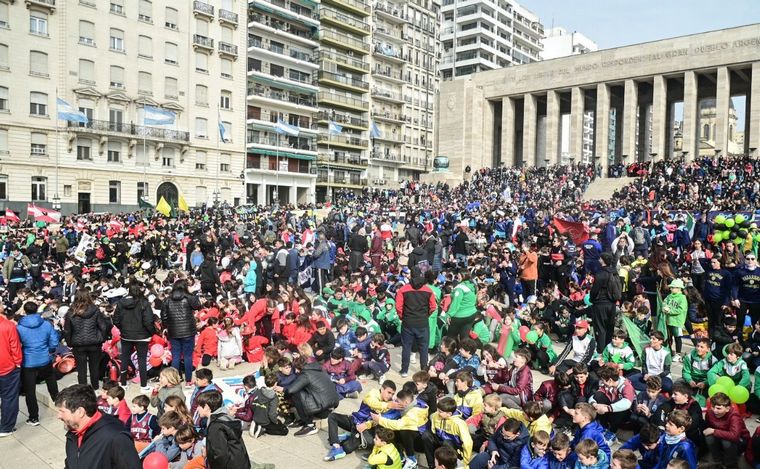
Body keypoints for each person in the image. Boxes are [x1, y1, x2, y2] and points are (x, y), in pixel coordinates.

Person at [56, 383, 141, 469]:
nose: (58, 416)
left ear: (80, 412)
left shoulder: (116, 437)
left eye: (62, 411)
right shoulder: (73, 432)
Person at [17, 300, 59, 426]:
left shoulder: (19, 327)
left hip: (28, 361)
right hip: (44, 358)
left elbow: (17, 344)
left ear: (25, 311)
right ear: (37, 310)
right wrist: (50, 351)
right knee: (51, 382)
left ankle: (34, 417)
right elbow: (54, 340)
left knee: (30, 390)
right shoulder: (46, 324)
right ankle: (60, 407)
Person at [395, 267, 437, 377]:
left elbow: (398, 307)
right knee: (424, 348)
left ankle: (404, 370)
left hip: (407, 322)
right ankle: (423, 370)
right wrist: (426, 315)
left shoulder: (403, 290)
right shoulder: (428, 290)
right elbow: (433, 307)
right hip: (422, 322)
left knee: (406, 347)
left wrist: (402, 317)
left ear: (410, 276)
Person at [113, 282, 155, 391]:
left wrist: (122, 329)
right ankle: (144, 385)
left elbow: (116, 319)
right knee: (142, 359)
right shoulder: (144, 303)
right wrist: (151, 332)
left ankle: (123, 383)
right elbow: (149, 320)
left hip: (126, 335)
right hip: (142, 336)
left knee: (125, 358)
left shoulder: (121, 302)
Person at [63, 289, 110, 389]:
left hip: (78, 343)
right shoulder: (95, 310)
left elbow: (67, 330)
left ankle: (83, 389)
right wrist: (102, 338)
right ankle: (95, 386)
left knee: (81, 369)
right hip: (94, 342)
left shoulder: (71, 312)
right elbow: (103, 326)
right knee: (94, 366)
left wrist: (69, 342)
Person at [286, 356, 340, 436]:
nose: (296, 371)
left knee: (296, 394)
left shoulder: (305, 374)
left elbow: (290, 390)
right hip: (332, 405)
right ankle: (302, 419)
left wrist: (284, 394)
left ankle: (309, 425)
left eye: (296, 369)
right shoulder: (319, 369)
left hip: (322, 410)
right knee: (303, 390)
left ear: (299, 367)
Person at [196, 390, 251, 469]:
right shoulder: (225, 418)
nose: (197, 409)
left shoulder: (216, 426)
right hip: (241, 462)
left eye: (199, 406)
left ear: (206, 407)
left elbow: (220, 455)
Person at [161, 279, 202, 385]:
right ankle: (188, 381)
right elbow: (198, 306)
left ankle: (174, 380)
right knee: (188, 356)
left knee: (176, 357)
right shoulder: (188, 298)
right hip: (188, 330)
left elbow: (164, 316)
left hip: (174, 331)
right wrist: (192, 293)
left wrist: (167, 326)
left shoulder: (168, 299)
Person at [703, 391, 750, 468]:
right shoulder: (709, 413)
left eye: (718, 408)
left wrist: (714, 431)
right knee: (708, 437)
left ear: (727, 408)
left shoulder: (734, 416)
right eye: (713, 407)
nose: (715, 410)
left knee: (726, 441)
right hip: (720, 437)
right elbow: (707, 428)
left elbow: (735, 436)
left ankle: (731, 464)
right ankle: (717, 462)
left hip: (740, 441)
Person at [589, 252, 622, 353]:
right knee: (609, 328)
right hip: (611, 303)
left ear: (602, 260)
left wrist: (591, 299)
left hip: (600, 304)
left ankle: (601, 351)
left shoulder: (600, 274)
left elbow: (594, 290)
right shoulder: (614, 272)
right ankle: (609, 350)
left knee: (600, 328)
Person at [0, 303, 22, 437]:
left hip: (7, 366)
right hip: (7, 367)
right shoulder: (8, 325)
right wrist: (17, 362)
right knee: (9, 398)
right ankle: (6, 427)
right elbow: (15, 347)